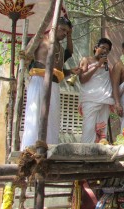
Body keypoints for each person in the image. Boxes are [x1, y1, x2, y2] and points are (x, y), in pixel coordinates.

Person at [21, 17, 81, 150]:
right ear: (54, 27)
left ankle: (48, 153)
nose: (65, 34)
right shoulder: (41, 39)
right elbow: (26, 55)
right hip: (39, 82)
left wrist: (70, 71)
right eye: (63, 30)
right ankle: (28, 151)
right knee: (35, 116)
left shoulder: (60, 47)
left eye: (67, 32)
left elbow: (60, 69)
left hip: (54, 86)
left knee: (52, 120)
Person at [78, 38, 114, 143]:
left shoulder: (107, 66)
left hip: (104, 100)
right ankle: (86, 154)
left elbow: (111, 82)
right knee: (88, 128)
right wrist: (98, 65)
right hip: (90, 99)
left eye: (107, 50)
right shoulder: (86, 60)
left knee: (102, 130)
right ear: (96, 48)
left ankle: (99, 153)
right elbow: (82, 79)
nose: (105, 51)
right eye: (103, 48)